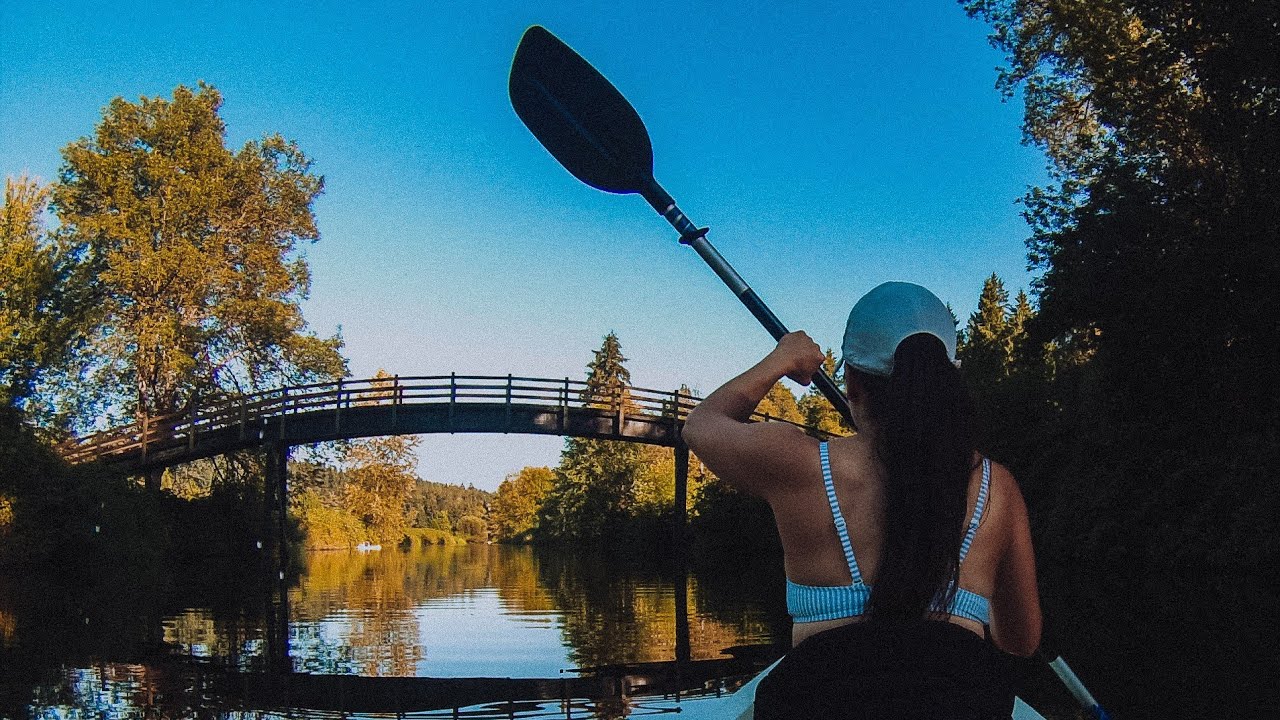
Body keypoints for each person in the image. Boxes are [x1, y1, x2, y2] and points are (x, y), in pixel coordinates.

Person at [682, 282, 1041, 719]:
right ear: (946, 381)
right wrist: (966, 601)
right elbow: (1021, 640)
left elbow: (700, 426)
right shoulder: (996, 487)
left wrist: (781, 360)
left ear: (851, 382)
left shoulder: (798, 464)